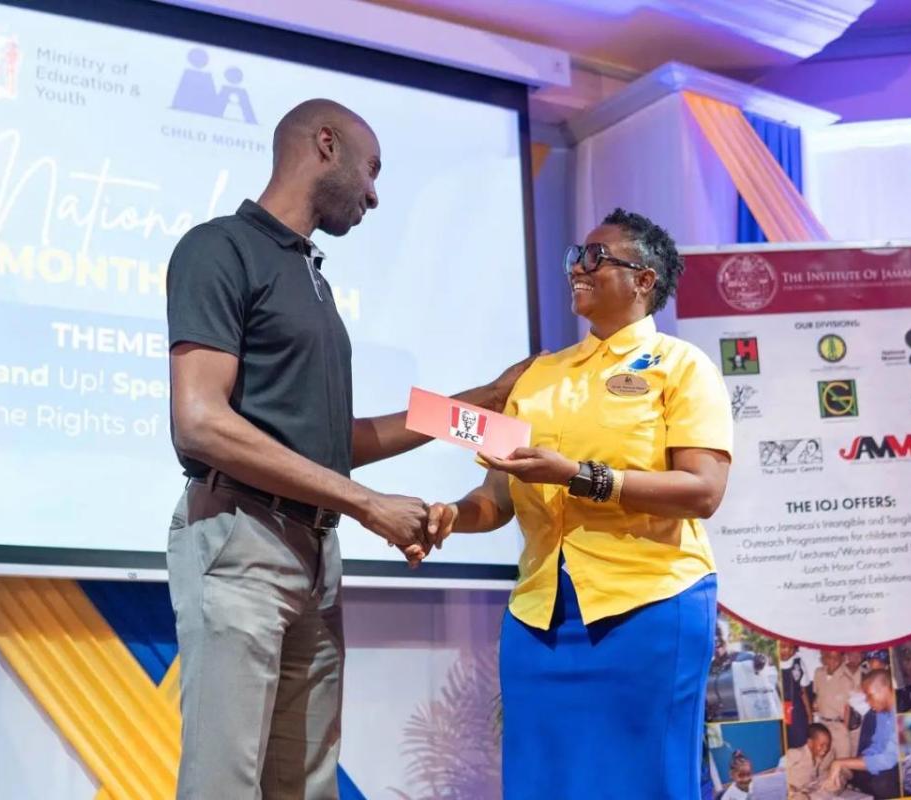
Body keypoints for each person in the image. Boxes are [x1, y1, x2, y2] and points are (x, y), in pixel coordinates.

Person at [165, 98, 531, 799]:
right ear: (324, 144)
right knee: (224, 785)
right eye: (371, 170)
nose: (373, 193)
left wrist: (477, 406)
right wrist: (367, 506)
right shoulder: (219, 248)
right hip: (240, 545)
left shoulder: (314, 279)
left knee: (306, 785)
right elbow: (201, 422)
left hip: (314, 554)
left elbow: (336, 442)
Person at [424, 209, 734, 798]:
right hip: (539, 616)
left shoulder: (683, 366)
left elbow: (704, 490)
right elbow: (497, 497)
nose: (577, 269)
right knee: (542, 784)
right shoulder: (535, 375)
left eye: (596, 257)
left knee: (646, 783)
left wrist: (582, 478)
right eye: (574, 257)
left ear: (644, 280)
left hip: (649, 604)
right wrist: (450, 518)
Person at [832, 670, 900, 798]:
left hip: (900, 765)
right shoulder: (881, 712)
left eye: (869, 696)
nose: (868, 702)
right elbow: (877, 744)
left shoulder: (901, 714)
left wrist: (840, 762)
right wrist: (859, 760)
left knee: (881, 784)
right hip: (887, 761)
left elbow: (889, 759)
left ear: (884, 690)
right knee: (856, 774)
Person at [812, 651, 857, 759]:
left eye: (836, 658)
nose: (832, 661)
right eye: (828, 657)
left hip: (838, 726)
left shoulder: (847, 679)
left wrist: (844, 728)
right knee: (822, 760)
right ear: (823, 657)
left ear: (842, 658)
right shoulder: (818, 673)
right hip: (822, 724)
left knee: (843, 760)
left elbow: (848, 707)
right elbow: (816, 694)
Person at [786, 723, 835, 800]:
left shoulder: (818, 759)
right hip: (789, 793)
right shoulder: (796, 753)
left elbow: (815, 778)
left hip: (804, 792)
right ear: (810, 742)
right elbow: (778, 773)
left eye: (827, 745)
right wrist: (789, 788)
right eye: (822, 745)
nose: (825, 749)